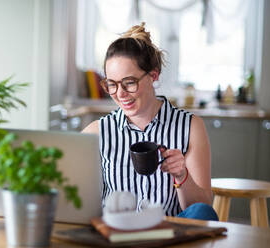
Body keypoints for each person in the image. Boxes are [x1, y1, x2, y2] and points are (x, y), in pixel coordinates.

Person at [82, 23, 218, 221]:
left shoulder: (189, 126)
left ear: (153, 75)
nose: (120, 94)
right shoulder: (97, 133)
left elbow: (202, 210)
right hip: (118, 235)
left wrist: (182, 175)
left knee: (203, 211)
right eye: (111, 84)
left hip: (169, 236)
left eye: (129, 82)